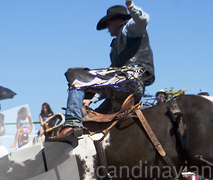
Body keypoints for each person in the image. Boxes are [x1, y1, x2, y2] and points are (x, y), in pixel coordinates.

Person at [51, 1, 155, 141]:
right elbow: (111, 82)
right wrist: (91, 98)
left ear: (117, 20)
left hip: (132, 78)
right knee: (94, 121)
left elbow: (143, 21)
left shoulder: (128, 28)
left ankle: (73, 123)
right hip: (126, 88)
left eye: (108, 23)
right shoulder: (119, 43)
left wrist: (132, 8)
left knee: (75, 76)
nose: (107, 28)